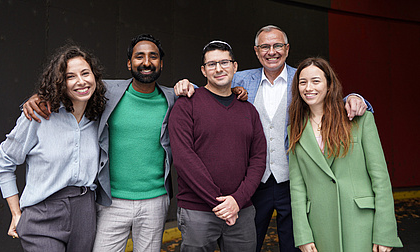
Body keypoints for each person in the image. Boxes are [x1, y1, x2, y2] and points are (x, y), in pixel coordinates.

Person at [21, 34, 248, 252]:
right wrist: (37, 99)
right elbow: (72, 89)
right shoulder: (106, 92)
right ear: (129, 64)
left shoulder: (174, 98)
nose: (146, 62)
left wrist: (235, 92)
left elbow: (212, 94)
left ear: (161, 64)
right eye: (139, 56)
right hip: (111, 202)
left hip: (155, 201)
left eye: (153, 56)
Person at [174, 25, 372, 251]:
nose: (272, 52)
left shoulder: (302, 78)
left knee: (294, 244)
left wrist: (355, 98)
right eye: (265, 47)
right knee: (249, 243)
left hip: (293, 179)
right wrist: (183, 86)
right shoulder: (239, 78)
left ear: (287, 49)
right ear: (256, 51)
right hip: (253, 186)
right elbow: (210, 90)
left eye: (277, 45)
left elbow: (328, 94)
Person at [0, 45, 107, 251]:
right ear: (60, 83)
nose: (81, 81)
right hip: (43, 213)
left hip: (84, 214)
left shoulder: (100, 117)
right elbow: (2, 163)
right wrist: (16, 213)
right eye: (71, 76)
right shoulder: (38, 116)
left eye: (85, 73)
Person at [288, 57, 402, 252]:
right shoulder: (295, 129)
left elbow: (380, 178)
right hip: (320, 227)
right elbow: (297, 188)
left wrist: (385, 233)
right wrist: (302, 236)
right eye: (302, 82)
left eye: (316, 81)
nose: (308, 87)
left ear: (329, 85)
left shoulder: (359, 119)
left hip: (362, 224)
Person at [168, 40, 267, 251]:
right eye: (212, 64)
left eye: (224, 62)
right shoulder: (186, 105)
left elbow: (258, 159)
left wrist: (237, 201)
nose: (219, 69)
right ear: (203, 71)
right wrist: (220, 204)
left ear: (235, 66)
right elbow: (184, 160)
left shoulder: (249, 110)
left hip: (242, 211)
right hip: (198, 212)